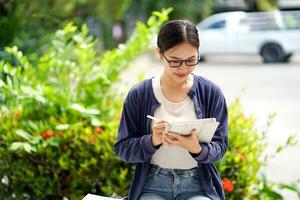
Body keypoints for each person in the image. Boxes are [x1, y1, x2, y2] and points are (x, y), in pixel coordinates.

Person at [114, 19, 228, 200]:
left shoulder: (211, 93)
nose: (184, 68)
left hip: (198, 186)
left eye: (191, 60)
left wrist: (197, 149)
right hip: (153, 185)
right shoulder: (139, 94)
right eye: (175, 61)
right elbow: (122, 148)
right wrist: (151, 140)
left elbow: (220, 147)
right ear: (159, 53)